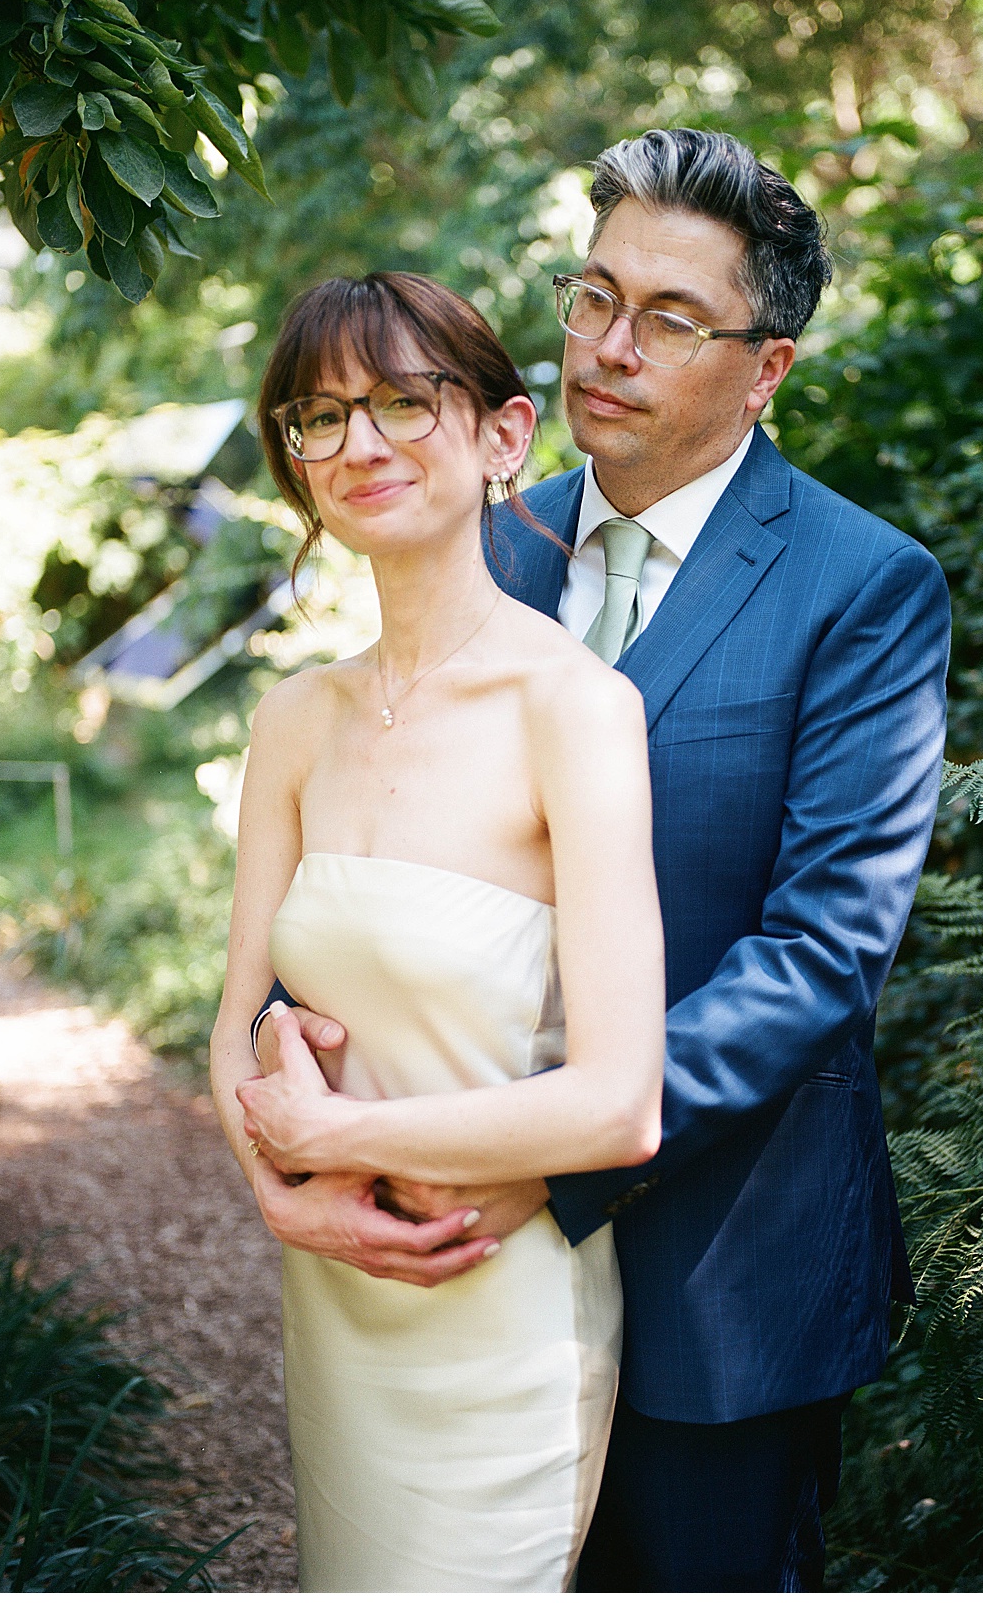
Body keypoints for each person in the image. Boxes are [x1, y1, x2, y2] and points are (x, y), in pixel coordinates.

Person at [253, 127, 951, 1592]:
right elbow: (364, 843)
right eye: (593, 298)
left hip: (717, 1270)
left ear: (767, 367)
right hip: (443, 1268)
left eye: (673, 319)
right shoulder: (475, 538)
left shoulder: (861, 587)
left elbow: (822, 953)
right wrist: (284, 1073)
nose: (609, 348)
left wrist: (553, 1162)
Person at [209, 270, 667, 1593]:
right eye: (318, 416)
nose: (358, 446)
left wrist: (335, 1138)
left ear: (503, 435)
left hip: (501, 1312)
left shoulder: (572, 710)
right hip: (338, 1299)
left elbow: (618, 1105)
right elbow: (239, 1009)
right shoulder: (295, 719)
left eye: (404, 403)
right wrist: (285, 1198)